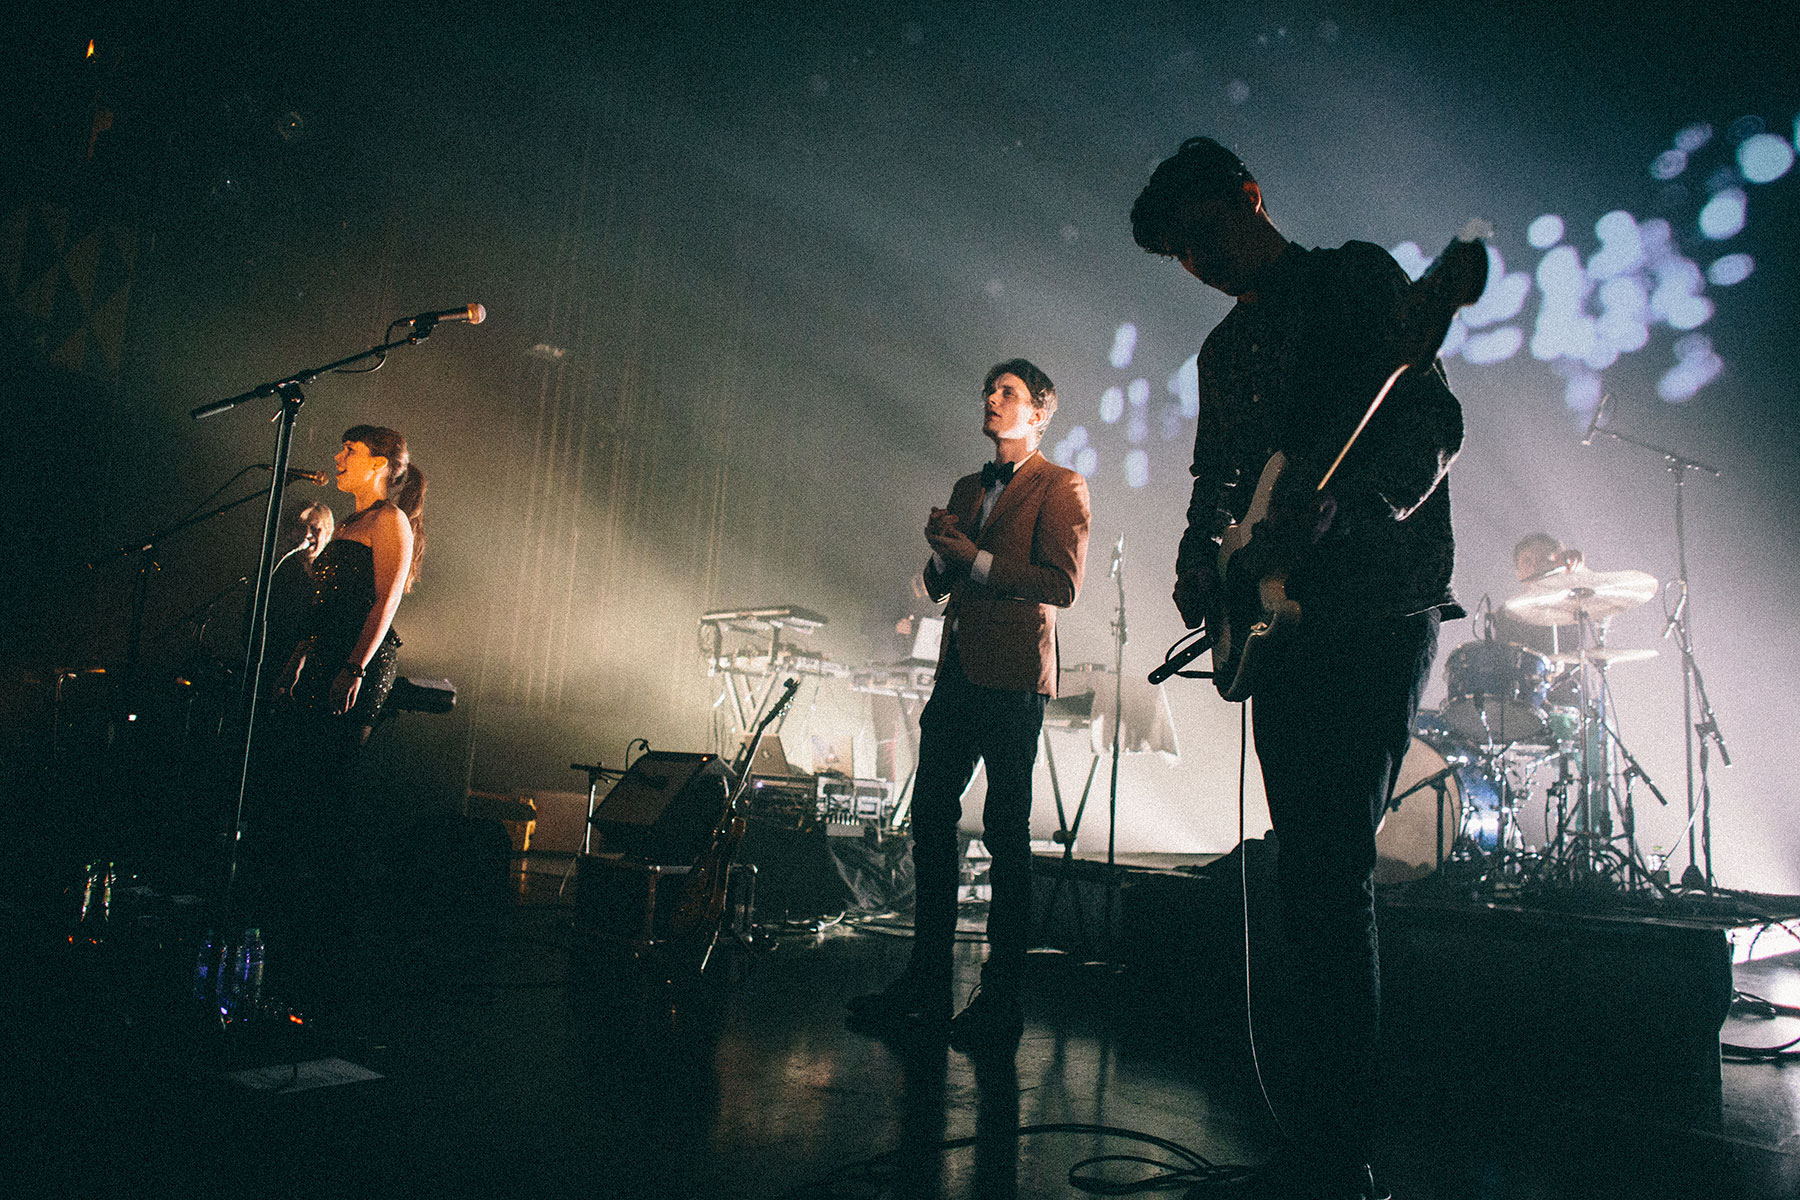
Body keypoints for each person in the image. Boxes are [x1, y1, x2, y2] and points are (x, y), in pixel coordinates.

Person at [1132, 138, 1466, 1200]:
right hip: (1278, 631)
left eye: (1205, 233)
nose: (1199, 261)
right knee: (1305, 880)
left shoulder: (1356, 280)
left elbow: (1431, 419)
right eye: (1181, 254)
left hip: (1374, 607)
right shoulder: (1222, 355)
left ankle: (1338, 1157)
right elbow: (1214, 484)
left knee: (1329, 871)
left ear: (1253, 197)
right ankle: (1318, 1146)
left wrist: (1354, 505)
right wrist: (1204, 571)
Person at [848, 359, 1090, 1054]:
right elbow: (937, 585)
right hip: (957, 670)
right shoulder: (965, 483)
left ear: (1039, 412)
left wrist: (974, 556)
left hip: (1013, 676)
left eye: (1007, 392)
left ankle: (1001, 999)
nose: (991, 399)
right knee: (929, 817)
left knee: (1006, 833)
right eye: (989, 390)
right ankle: (925, 985)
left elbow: (1063, 586)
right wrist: (940, 558)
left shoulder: (1062, 485)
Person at [263, 424, 425, 1014]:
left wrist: (354, 668)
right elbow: (325, 605)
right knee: (299, 788)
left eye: (350, 452)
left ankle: (334, 950)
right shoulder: (347, 524)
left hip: (359, 662)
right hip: (325, 656)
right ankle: (298, 931)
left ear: (379, 463)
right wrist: (298, 657)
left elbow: (384, 601)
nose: (337, 458)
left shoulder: (390, 522)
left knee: (329, 787)